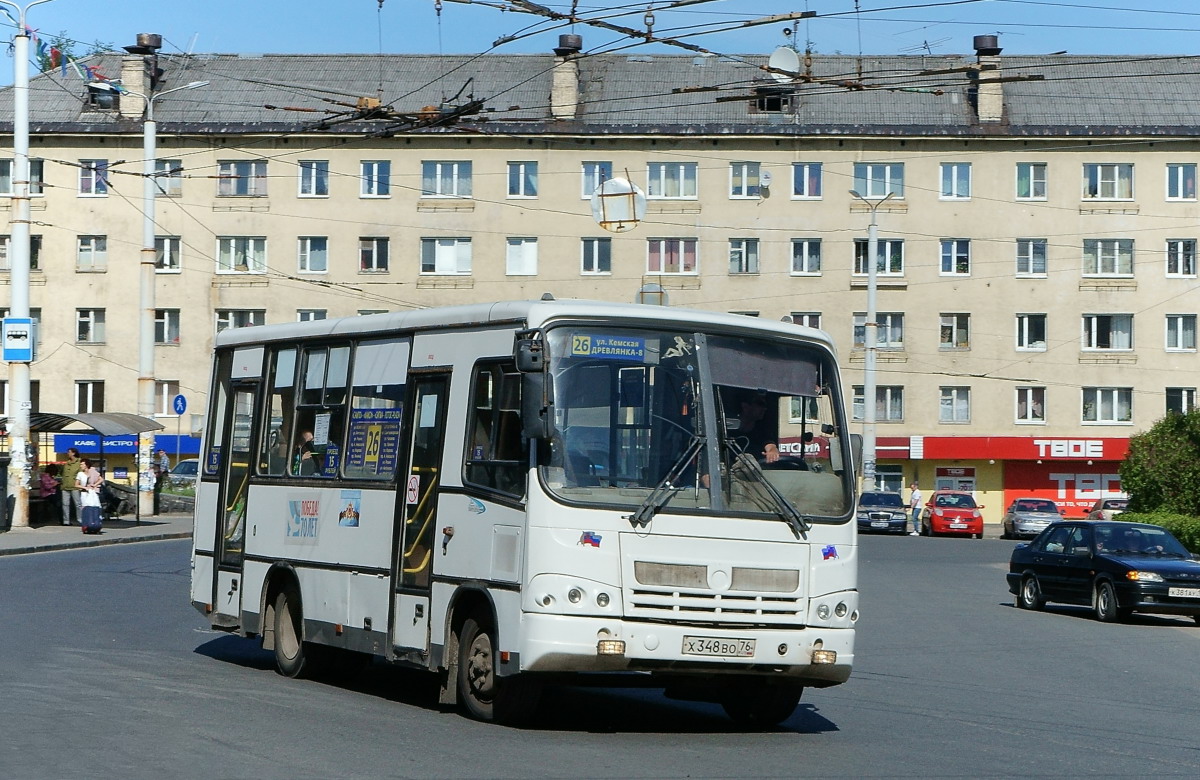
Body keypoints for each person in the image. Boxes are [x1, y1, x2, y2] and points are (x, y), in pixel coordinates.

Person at [732, 392, 780, 464]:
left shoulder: (762, 432)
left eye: (765, 405)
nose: (764, 409)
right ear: (745, 407)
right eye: (760, 404)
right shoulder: (727, 431)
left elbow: (770, 446)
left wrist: (772, 452)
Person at [77, 458, 104, 534]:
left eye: (82, 464)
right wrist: (85, 487)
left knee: (94, 508)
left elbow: (101, 479)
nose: (81, 466)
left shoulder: (93, 471)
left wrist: (94, 485)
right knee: (85, 508)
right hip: (84, 493)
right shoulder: (80, 474)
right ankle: (86, 524)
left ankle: (94, 523)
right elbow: (76, 484)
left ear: (86, 465)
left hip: (93, 492)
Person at [60, 447, 83, 526]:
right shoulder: (67, 463)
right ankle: (66, 521)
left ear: (73, 453)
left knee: (78, 504)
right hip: (65, 486)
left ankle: (80, 519)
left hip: (75, 486)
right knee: (65, 504)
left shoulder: (79, 462)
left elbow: (81, 475)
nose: (68, 453)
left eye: (69, 452)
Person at [153, 448, 170, 515]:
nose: (160, 454)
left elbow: (163, 467)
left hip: (164, 473)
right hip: (163, 472)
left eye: (161, 452)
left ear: (164, 452)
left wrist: (159, 473)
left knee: (159, 483)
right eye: (159, 452)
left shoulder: (165, 458)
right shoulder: (163, 458)